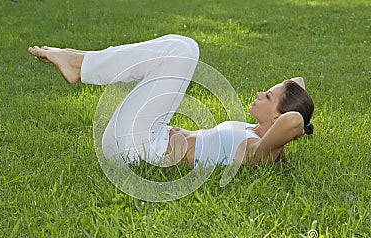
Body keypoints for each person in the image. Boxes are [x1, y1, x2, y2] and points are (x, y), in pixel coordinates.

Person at [28, 34, 314, 169]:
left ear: (277, 119)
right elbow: (298, 83)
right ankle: (81, 60)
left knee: (184, 49)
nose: (259, 94)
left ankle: (80, 63)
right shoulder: (250, 131)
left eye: (268, 96)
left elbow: (295, 120)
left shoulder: (258, 153)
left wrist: (299, 125)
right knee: (182, 48)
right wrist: (287, 99)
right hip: (148, 136)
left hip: (137, 150)